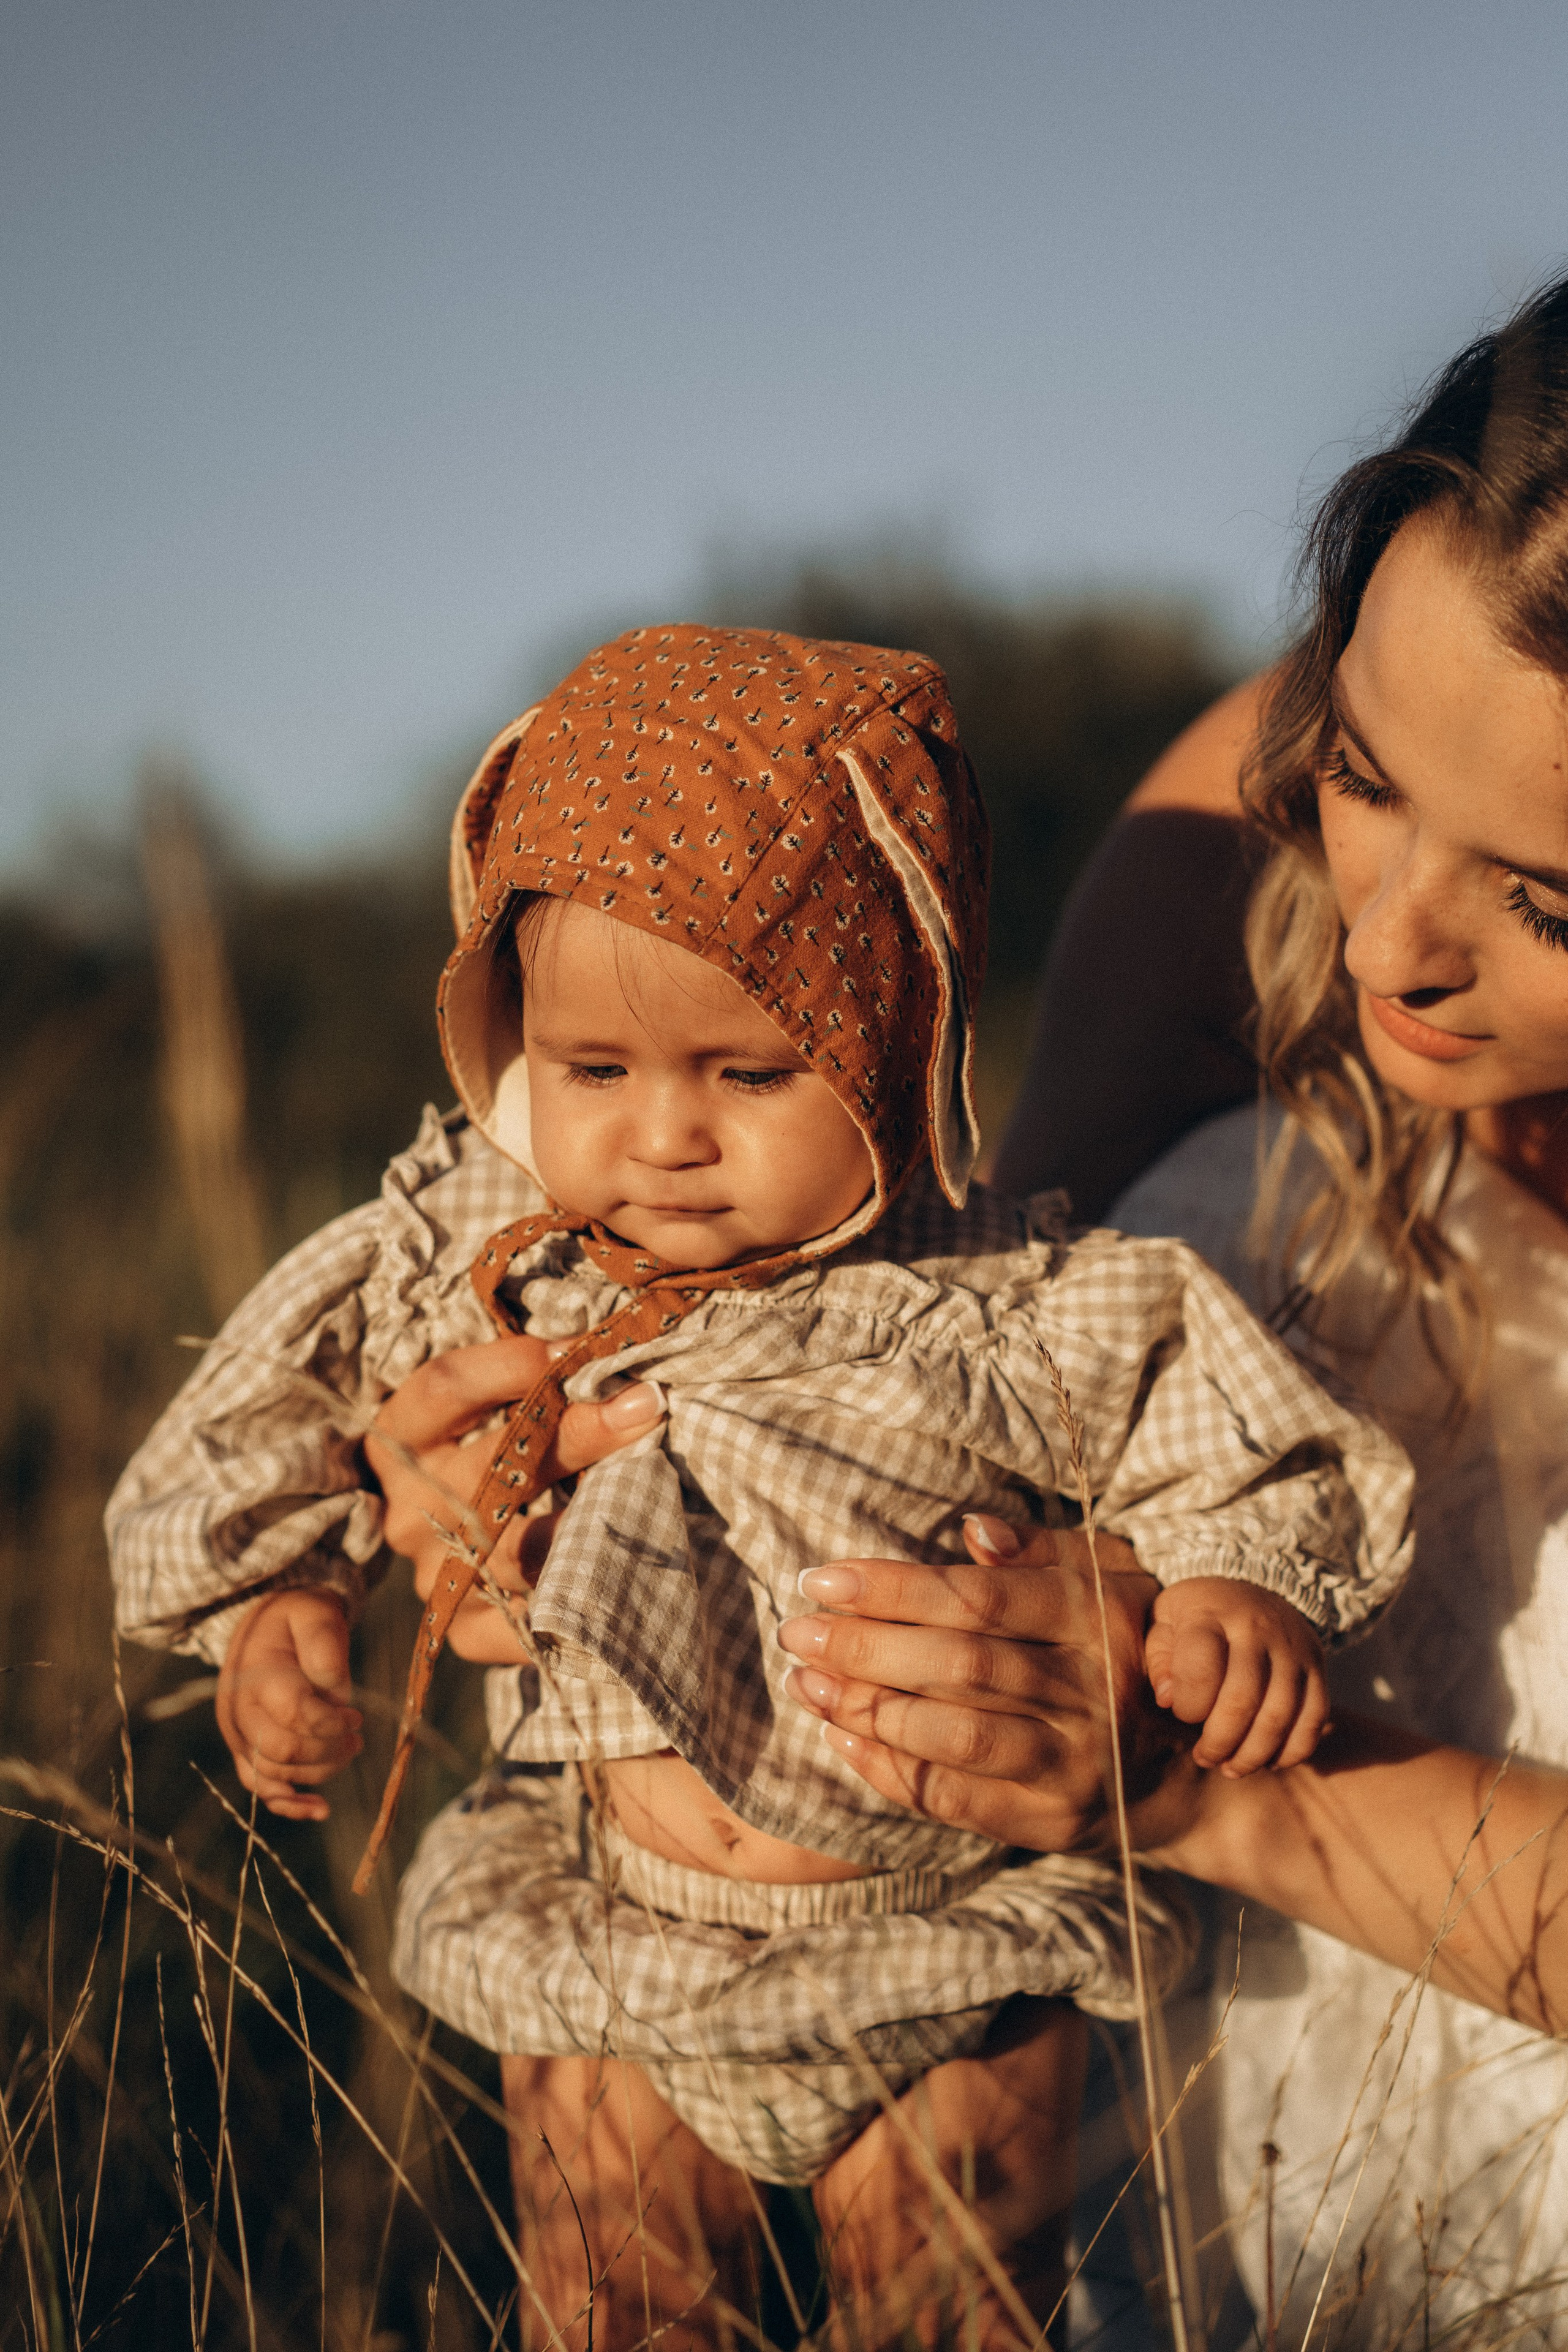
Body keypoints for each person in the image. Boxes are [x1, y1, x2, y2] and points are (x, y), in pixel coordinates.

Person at [105, 625, 1411, 2350]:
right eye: (595, 1073)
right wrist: (284, 1597)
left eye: (749, 1072)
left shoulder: (995, 1299)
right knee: (616, 2302)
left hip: (952, 1929)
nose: (665, 1135)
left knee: (952, 2306)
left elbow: (1215, 1423)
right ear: (508, 1038)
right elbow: (293, 1416)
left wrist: (1232, 1590)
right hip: (612, 1915)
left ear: (893, 1034)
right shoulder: (479, 1269)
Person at [783, 272, 1568, 2345]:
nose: (1390, 940)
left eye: (1551, 900)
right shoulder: (1232, 861)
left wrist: (1192, 1783)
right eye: (1366, 771)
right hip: (1180, 2206)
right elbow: (935, 1365)